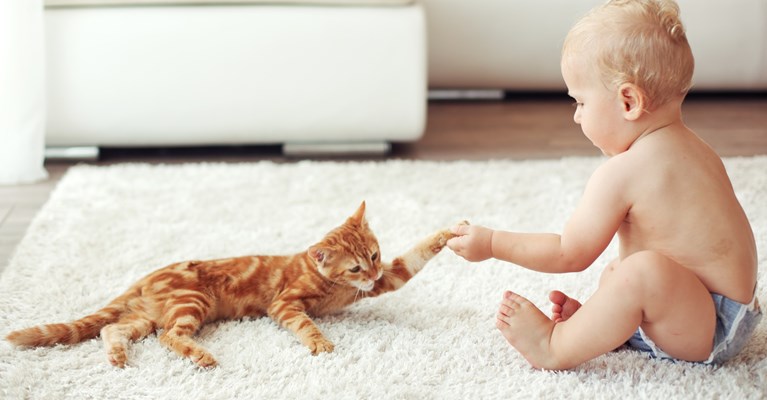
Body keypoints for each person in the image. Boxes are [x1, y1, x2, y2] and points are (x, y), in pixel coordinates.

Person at [446, 0, 761, 370]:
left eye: (580, 101)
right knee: (620, 273)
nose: (577, 115)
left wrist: (492, 243)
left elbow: (569, 253)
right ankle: (606, 327)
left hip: (706, 326)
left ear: (628, 100)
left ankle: (556, 345)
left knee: (638, 273)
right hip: (725, 311)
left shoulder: (624, 171)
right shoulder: (699, 149)